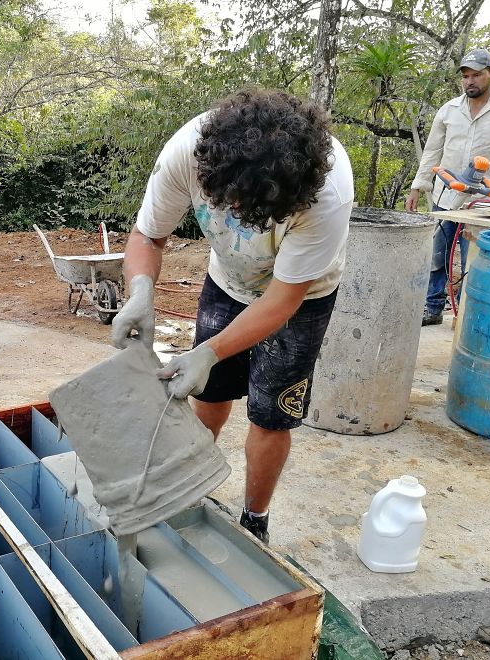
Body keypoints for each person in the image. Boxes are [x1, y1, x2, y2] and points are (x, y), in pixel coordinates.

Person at [112, 90, 354, 543]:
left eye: (255, 207)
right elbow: (148, 234)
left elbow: (282, 301)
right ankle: (187, 492)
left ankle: (254, 519)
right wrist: (140, 291)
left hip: (302, 296)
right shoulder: (188, 152)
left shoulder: (328, 193)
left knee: (269, 415)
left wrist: (210, 350)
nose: (238, 213)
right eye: (231, 201)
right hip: (227, 282)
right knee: (205, 392)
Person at [405, 48, 490, 326]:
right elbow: (432, 151)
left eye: (476, 75)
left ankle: (467, 314)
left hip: (485, 201)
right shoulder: (449, 109)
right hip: (445, 194)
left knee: (474, 257)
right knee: (437, 253)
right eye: (465, 76)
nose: (470, 81)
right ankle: (432, 307)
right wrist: (418, 186)